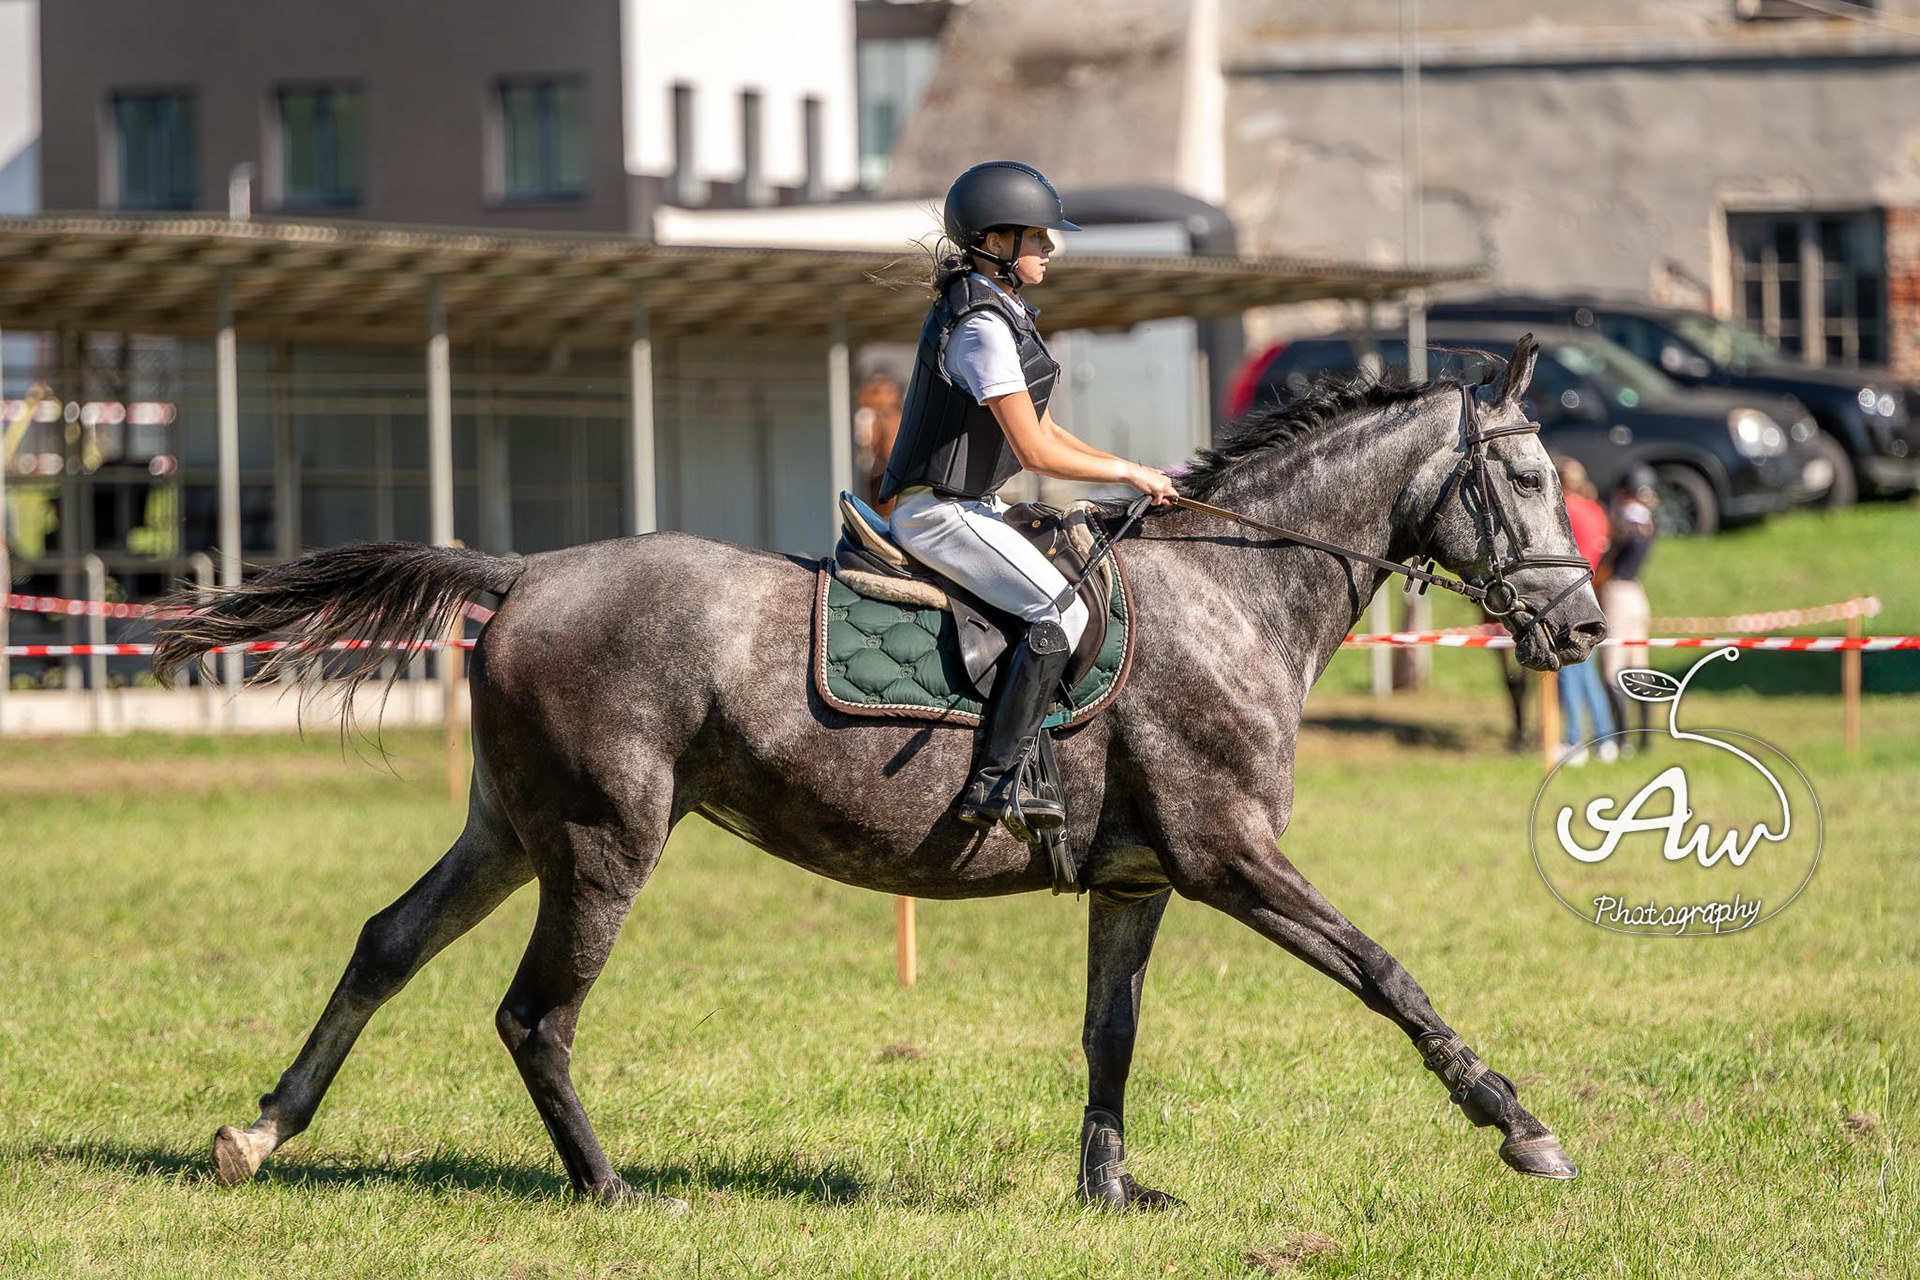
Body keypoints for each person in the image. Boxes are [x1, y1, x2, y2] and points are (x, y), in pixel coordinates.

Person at [878, 160, 1177, 839]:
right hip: (940, 511)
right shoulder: (982, 327)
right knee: (1059, 610)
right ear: (996, 241)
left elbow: (1042, 428)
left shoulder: (997, 311)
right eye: (1038, 237)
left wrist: (1128, 469)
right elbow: (1037, 454)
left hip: (969, 507)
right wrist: (1126, 473)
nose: (1050, 249)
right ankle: (995, 780)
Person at [1554, 457, 1616, 764]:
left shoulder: (1564, 509)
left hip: (1568, 594)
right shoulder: (1597, 510)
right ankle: (1606, 738)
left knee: (1569, 669)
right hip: (1592, 589)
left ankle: (1574, 738)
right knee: (1587, 671)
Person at [1597, 465, 1659, 740]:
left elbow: (1605, 566)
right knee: (1638, 668)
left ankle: (1622, 738)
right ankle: (1645, 736)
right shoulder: (1648, 524)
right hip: (1637, 594)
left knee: (1612, 671)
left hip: (1617, 595)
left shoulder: (1624, 526)